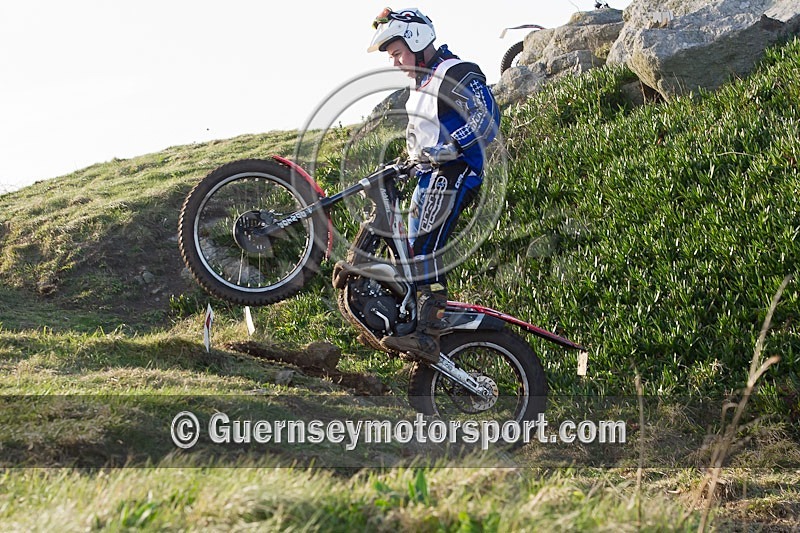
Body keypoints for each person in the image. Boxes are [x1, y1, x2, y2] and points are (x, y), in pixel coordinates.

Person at [367, 7, 501, 363]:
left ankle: (428, 332)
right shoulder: (418, 88)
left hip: (457, 170)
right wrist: (403, 163)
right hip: (428, 176)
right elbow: (422, 140)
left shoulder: (454, 71)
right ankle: (415, 324)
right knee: (411, 252)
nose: (395, 63)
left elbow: (485, 117)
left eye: (397, 54)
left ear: (416, 40)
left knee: (426, 247)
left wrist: (454, 145)